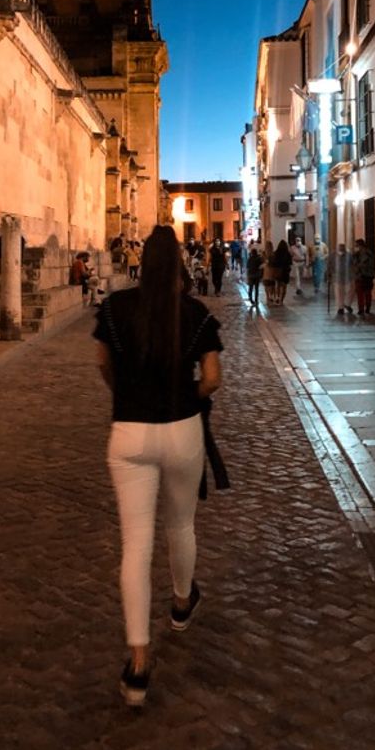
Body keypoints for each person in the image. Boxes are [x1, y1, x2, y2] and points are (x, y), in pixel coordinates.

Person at [94, 225, 223, 707]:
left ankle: (139, 662)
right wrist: (185, 397)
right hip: (181, 428)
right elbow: (212, 378)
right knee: (181, 525)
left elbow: (103, 364)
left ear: (142, 262)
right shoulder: (194, 314)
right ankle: (181, 604)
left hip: (128, 432)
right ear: (180, 266)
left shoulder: (114, 309)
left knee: (135, 545)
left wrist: (125, 394)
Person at [352, 238, 375, 316]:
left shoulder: (368, 254)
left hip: (366, 275)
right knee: (362, 293)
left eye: (358, 245)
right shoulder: (357, 254)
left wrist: (358, 267)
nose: (357, 247)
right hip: (361, 275)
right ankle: (362, 309)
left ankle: (365, 308)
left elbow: (369, 264)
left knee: (366, 293)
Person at [330, 242, 354, 315]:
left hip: (348, 276)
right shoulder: (333, 255)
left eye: (343, 247)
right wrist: (329, 273)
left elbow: (352, 263)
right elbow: (329, 264)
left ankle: (347, 304)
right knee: (339, 293)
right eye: (340, 247)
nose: (341, 249)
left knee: (350, 290)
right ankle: (340, 308)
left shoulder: (349, 255)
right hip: (337, 276)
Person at [272, 239, 293, 305]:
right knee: (284, 287)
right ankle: (282, 300)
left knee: (277, 285)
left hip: (278, 271)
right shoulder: (288, 254)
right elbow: (290, 263)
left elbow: (274, 263)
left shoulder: (276, 253)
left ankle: (277, 297)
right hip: (285, 272)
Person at [246, 242, 263, 307]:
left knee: (250, 288)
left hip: (251, 275)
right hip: (257, 275)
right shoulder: (259, 259)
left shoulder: (249, 259)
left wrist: (247, 276)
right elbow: (261, 266)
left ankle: (250, 299)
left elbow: (247, 267)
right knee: (256, 288)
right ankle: (256, 300)